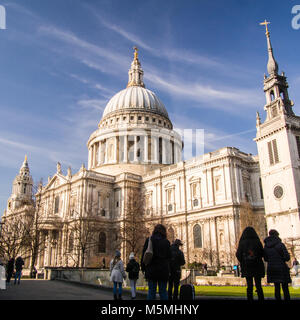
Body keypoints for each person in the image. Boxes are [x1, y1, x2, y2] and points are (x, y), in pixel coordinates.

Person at [141, 224, 171, 300]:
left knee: (151, 292)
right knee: (163, 292)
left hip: (151, 270)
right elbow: (169, 257)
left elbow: (144, 255)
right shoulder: (166, 242)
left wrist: (143, 268)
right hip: (163, 271)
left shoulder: (149, 240)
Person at [236, 226, 265, 301]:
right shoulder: (257, 242)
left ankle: (250, 298)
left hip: (247, 266)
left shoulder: (242, 243)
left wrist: (243, 261)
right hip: (257, 266)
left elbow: (238, 254)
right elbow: (262, 253)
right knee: (259, 285)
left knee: (249, 286)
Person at [264, 229, 291, 300]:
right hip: (281, 268)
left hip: (272, 268)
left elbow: (266, 259)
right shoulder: (280, 245)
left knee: (277, 288)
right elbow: (287, 257)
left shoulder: (266, 246)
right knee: (285, 288)